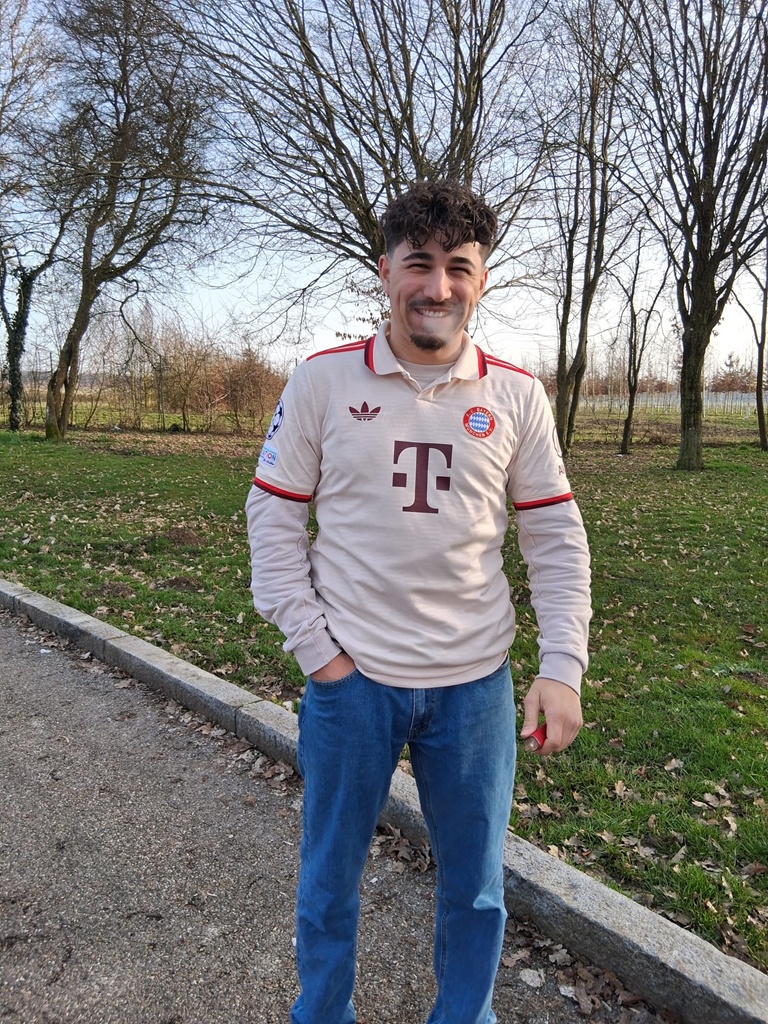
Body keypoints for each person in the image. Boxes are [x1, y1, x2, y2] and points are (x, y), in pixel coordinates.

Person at [245, 179, 591, 1024]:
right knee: (330, 878)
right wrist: (319, 654)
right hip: (352, 683)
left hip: (475, 687)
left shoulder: (517, 395)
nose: (438, 287)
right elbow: (273, 518)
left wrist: (562, 666)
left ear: (481, 279)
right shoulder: (323, 381)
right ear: (385, 270)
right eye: (419, 264)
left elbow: (554, 537)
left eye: (458, 268)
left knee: (475, 889)